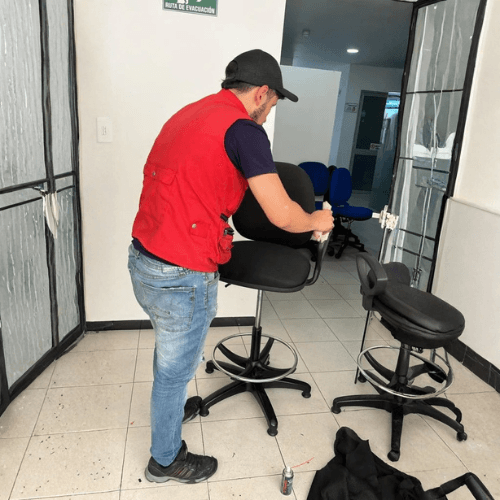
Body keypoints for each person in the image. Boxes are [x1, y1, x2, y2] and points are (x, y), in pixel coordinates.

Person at [128, 49, 333, 485]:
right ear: (261, 93)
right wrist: (316, 219)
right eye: (272, 105)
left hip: (143, 259)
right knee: (174, 370)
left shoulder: (188, 114)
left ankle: (169, 412)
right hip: (181, 272)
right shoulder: (244, 130)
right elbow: (282, 214)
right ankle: (165, 460)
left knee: (169, 355)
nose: (268, 115)